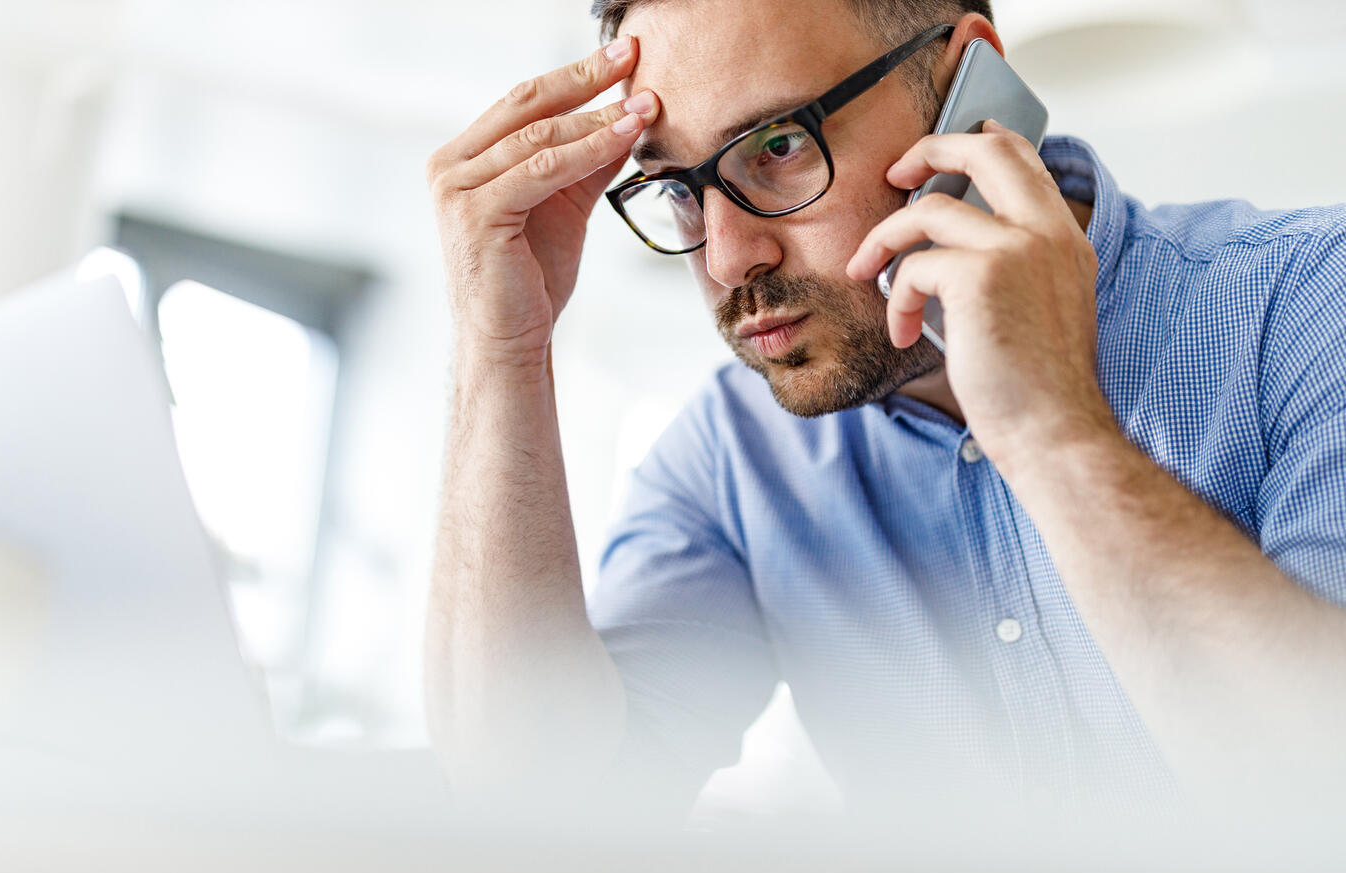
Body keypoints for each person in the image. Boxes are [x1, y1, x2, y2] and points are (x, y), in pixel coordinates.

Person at [423, 0, 1346, 817]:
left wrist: (1050, 428)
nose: (726, 258)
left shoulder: (1308, 301)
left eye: (778, 147)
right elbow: (545, 810)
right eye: (679, 190)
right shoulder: (732, 451)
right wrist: (504, 351)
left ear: (964, 89)